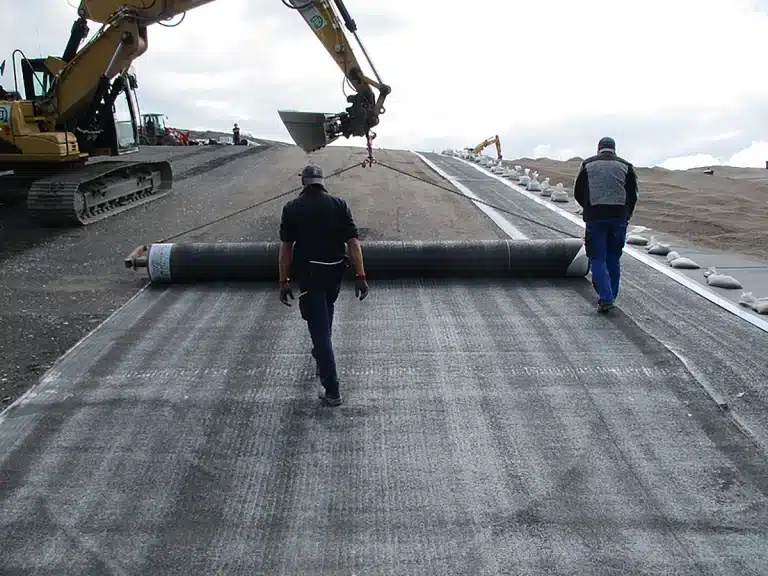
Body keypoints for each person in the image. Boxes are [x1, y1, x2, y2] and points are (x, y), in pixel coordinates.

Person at [278, 164, 369, 405]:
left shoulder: (292, 208)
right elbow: (353, 244)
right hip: (335, 274)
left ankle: (332, 389)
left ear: (303, 182)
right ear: (322, 181)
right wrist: (360, 277)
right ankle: (320, 358)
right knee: (325, 315)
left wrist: (283, 281)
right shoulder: (339, 205)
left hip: (310, 275)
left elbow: (286, 250)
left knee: (319, 330)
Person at [574, 136, 638, 313]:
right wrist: (626, 215)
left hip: (595, 217)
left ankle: (606, 297)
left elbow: (577, 192)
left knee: (597, 257)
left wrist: (588, 209)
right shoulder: (626, 166)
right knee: (613, 257)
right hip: (618, 219)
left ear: (598, 148)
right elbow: (633, 195)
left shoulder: (587, 165)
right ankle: (612, 295)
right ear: (614, 149)